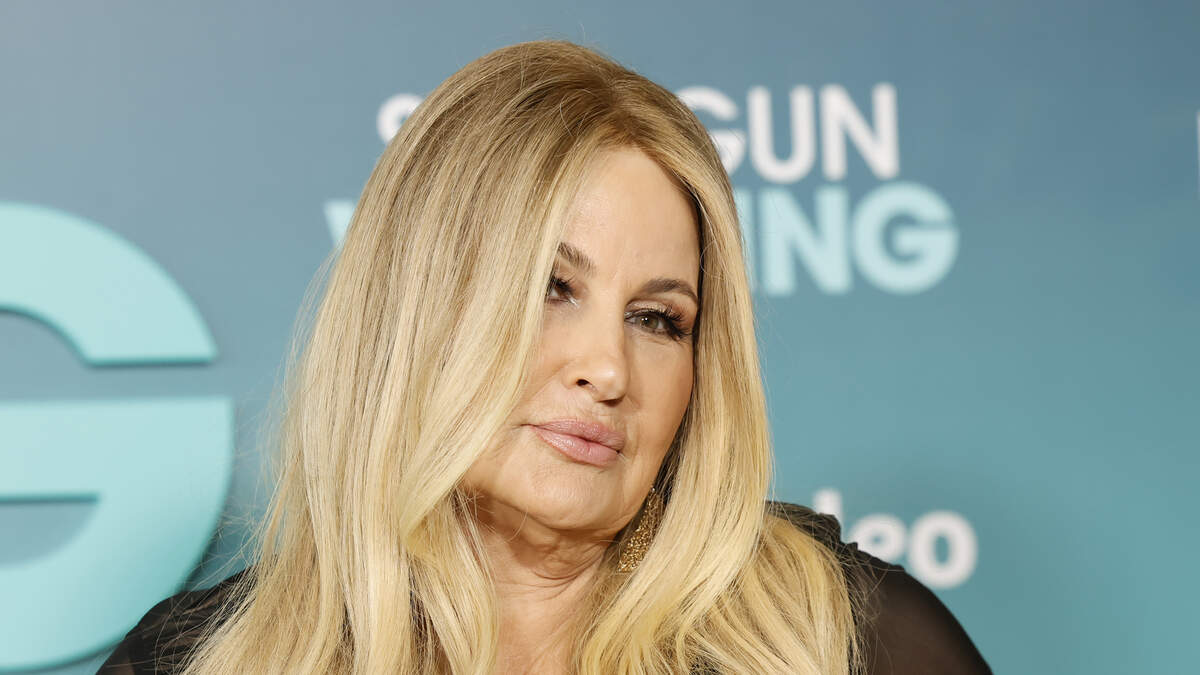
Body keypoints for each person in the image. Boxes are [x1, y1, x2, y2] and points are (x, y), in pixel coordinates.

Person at [99, 40, 991, 674]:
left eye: (658, 319)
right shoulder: (196, 660)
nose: (608, 370)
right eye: (550, 288)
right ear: (415, 308)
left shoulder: (851, 639)